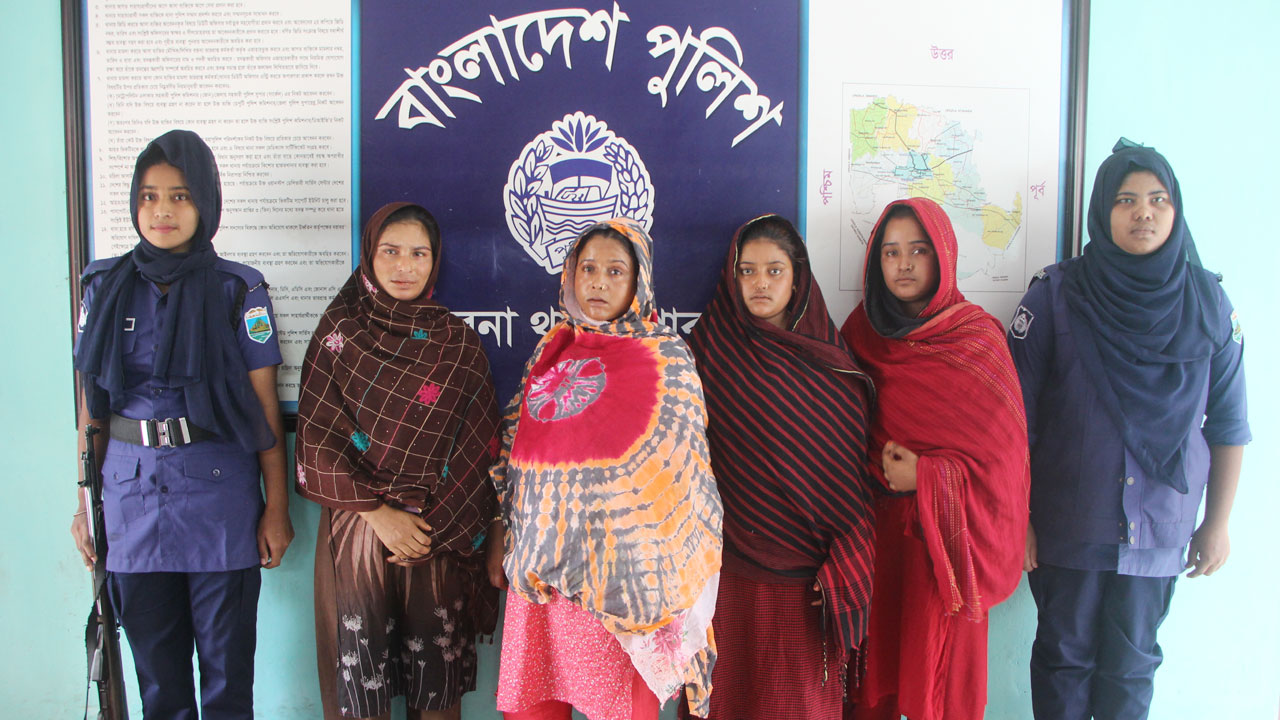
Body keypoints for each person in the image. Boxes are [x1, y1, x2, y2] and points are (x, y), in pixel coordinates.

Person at [1009, 139, 1249, 720]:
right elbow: (1014, 423)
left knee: (1132, 670)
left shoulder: (1209, 304)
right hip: (1069, 526)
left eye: (1158, 199)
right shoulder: (1056, 296)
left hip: (1161, 528)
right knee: (1063, 662)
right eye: (1126, 199)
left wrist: (1217, 523)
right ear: (1102, 210)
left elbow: (1229, 423)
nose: (1144, 212)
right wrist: (1018, 519)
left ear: (1176, 209)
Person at [70, 129, 293, 719]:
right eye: (149, 196)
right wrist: (84, 503)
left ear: (206, 202)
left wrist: (276, 507)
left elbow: (264, 407)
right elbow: (92, 407)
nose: (162, 211)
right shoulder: (103, 286)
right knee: (159, 685)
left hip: (220, 496)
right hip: (129, 500)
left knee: (227, 681)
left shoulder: (238, 289)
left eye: (180, 195)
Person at [486, 218, 723, 720]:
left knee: (621, 709)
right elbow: (514, 454)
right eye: (588, 269)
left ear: (639, 281)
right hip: (544, 582)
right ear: (570, 275)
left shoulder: (667, 358)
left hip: (625, 589)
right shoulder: (550, 351)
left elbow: (684, 478)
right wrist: (503, 533)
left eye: (615, 271)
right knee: (537, 703)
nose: (598, 282)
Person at [295, 202, 501, 720]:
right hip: (359, 531)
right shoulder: (339, 334)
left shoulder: (457, 344)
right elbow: (316, 436)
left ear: (435, 262)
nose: (404, 266)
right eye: (390, 251)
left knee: (436, 692)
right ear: (369, 255)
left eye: (418, 253)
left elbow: (480, 447)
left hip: (436, 535)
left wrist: (429, 529)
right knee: (361, 687)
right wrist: (379, 516)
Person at [841, 197, 1029, 720]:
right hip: (875, 542)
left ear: (943, 254)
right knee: (873, 689)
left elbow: (1004, 464)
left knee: (941, 692)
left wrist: (925, 475)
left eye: (918, 250)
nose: (903, 264)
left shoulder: (977, 339)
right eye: (891, 252)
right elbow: (837, 430)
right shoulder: (859, 333)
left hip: (946, 547)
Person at [684, 214, 876, 720]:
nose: (760, 283)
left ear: (798, 278)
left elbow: (848, 483)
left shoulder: (831, 367)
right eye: (747, 271)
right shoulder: (706, 350)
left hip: (804, 585)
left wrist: (843, 562)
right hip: (725, 576)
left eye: (774, 271)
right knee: (725, 701)